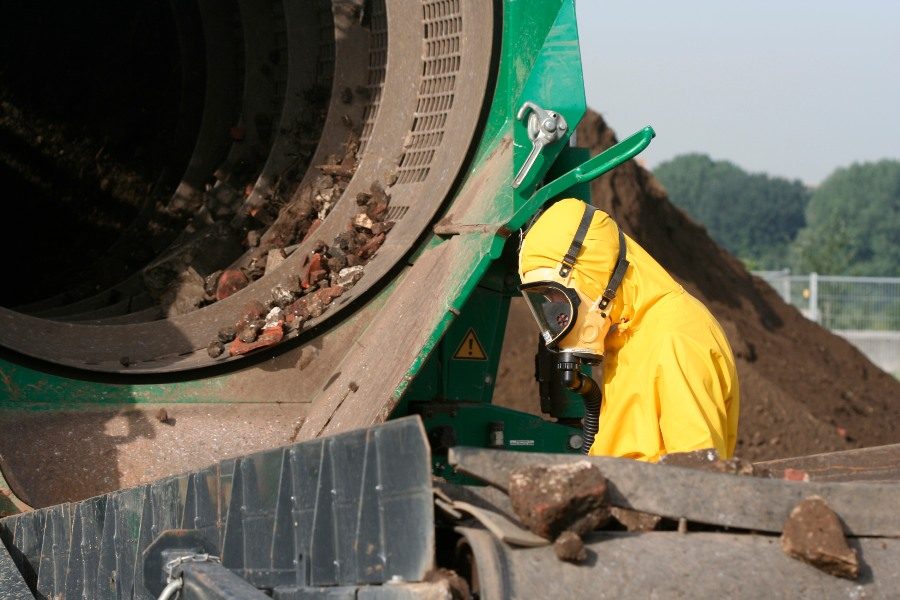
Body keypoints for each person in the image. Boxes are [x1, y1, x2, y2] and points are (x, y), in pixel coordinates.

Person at [518, 198, 739, 461]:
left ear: (594, 276)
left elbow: (697, 476)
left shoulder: (675, 336)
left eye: (556, 295)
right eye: (545, 298)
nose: (556, 311)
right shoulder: (628, 331)